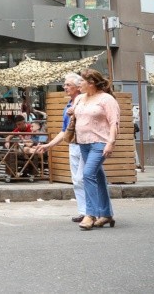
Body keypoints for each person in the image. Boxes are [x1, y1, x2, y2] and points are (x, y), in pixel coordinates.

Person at [67, 69, 118, 230]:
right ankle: (106, 214)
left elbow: (114, 122)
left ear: (91, 83)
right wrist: (71, 111)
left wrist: (111, 142)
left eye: (81, 81)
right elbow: (74, 112)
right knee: (98, 177)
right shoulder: (81, 98)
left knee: (87, 174)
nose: (79, 84)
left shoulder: (106, 99)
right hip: (83, 143)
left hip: (100, 143)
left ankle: (90, 214)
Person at [36, 73, 86, 222]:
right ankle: (84, 212)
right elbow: (64, 131)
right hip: (73, 145)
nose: (65, 87)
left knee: (84, 178)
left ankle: (92, 211)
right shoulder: (68, 106)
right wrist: (49, 145)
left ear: (78, 87)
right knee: (77, 180)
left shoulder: (83, 102)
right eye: (64, 85)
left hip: (86, 145)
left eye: (68, 85)